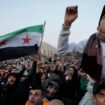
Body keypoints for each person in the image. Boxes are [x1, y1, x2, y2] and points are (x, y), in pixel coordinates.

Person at [58, 5, 105, 83]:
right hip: (94, 90)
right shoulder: (89, 44)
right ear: (99, 27)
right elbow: (63, 50)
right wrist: (67, 24)